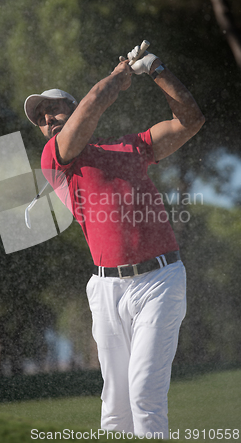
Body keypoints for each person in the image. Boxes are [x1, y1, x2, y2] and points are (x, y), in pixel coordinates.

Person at [24, 45, 205, 439]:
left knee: (144, 396)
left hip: (160, 281)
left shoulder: (132, 145)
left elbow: (190, 120)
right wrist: (121, 76)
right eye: (41, 116)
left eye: (55, 108)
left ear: (71, 110)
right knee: (114, 411)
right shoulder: (55, 161)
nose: (48, 118)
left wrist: (156, 68)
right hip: (105, 290)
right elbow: (94, 101)